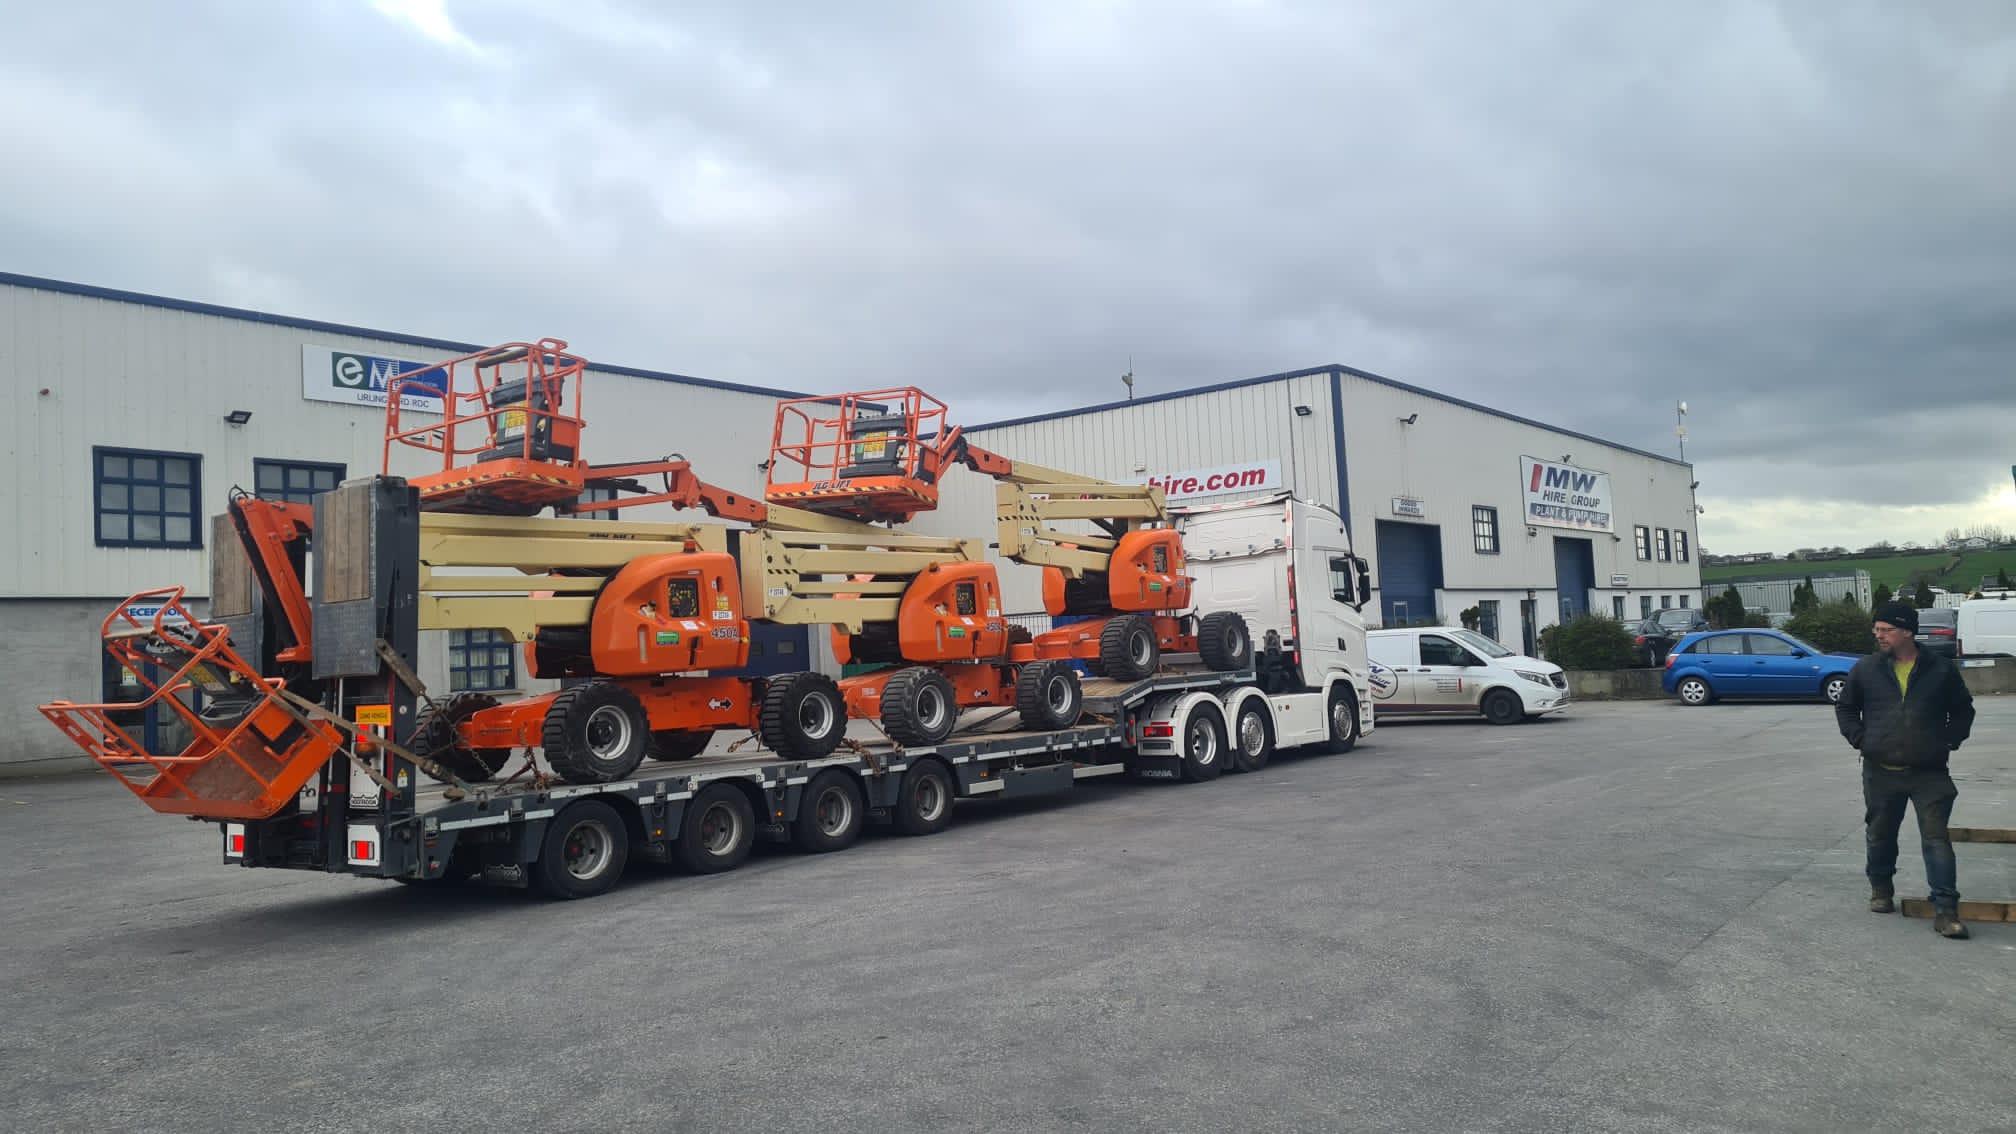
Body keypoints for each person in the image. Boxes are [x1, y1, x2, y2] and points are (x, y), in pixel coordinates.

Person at [1834, 601, 1976, 939]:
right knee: (1880, 835)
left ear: (1908, 632)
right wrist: (1861, 740)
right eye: (1877, 630)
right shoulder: (1866, 669)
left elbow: (1962, 712)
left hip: (1929, 772)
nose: (1878, 635)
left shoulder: (1940, 669)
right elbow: (1847, 707)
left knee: (1936, 839)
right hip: (1880, 770)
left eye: (1886, 630)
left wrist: (1948, 742)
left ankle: (1945, 911)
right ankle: (1881, 890)